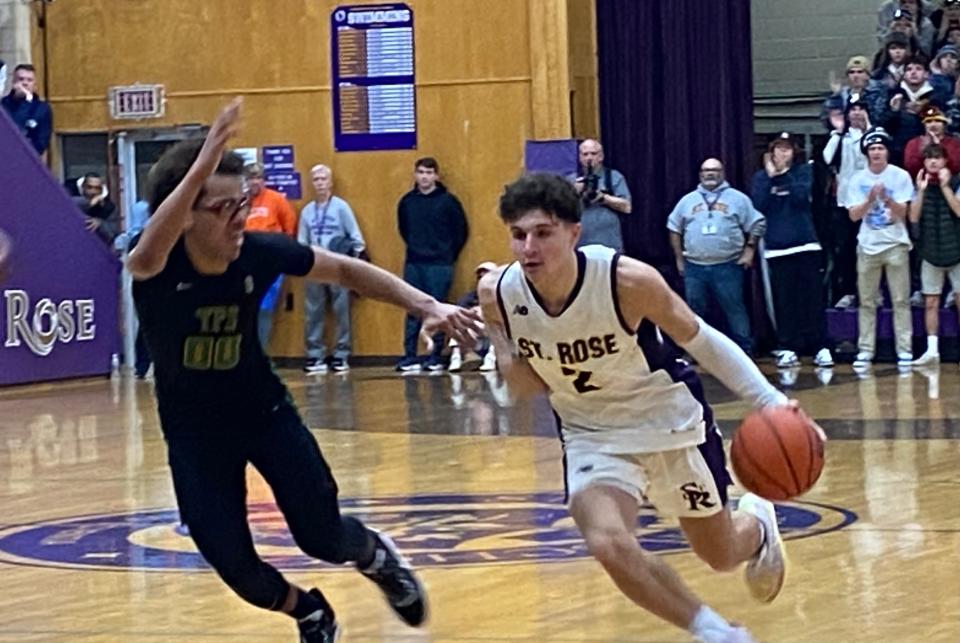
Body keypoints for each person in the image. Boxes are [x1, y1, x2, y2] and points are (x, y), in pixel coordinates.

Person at [127, 99, 481, 641]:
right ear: (184, 215)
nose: (240, 216)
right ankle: (309, 611)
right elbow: (143, 253)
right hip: (195, 436)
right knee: (239, 572)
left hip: (264, 414)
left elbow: (346, 270)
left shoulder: (258, 251)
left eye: (242, 202)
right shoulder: (155, 266)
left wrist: (427, 305)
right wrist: (206, 157)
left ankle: (375, 557)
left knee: (322, 537)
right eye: (222, 207)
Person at [479, 173, 817, 643]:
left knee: (719, 555)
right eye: (518, 235)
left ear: (575, 233)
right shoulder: (498, 291)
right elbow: (510, 357)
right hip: (590, 431)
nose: (528, 247)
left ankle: (758, 527)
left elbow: (701, 338)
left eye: (543, 233)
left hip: (670, 421)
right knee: (606, 540)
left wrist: (773, 403)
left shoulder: (626, 281)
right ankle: (716, 632)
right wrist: (501, 352)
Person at [667, 158, 765, 355]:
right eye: (705, 170)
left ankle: (744, 349)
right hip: (695, 266)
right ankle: (694, 351)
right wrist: (679, 258)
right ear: (700, 174)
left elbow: (757, 223)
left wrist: (750, 250)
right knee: (694, 311)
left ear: (723, 173)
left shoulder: (738, 199)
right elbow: (674, 227)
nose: (710, 174)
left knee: (734, 308)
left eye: (714, 170)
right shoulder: (687, 200)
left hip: (728, 265)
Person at [840, 126, 915, 368]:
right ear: (866, 153)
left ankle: (904, 350)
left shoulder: (900, 176)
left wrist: (887, 199)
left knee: (901, 300)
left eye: (880, 148)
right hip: (867, 245)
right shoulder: (857, 179)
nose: (876, 152)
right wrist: (870, 199)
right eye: (872, 148)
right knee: (867, 301)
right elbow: (853, 216)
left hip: (896, 244)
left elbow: (905, 213)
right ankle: (865, 350)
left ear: (887, 152)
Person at [396, 157, 468, 371]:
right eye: (420, 172)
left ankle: (435, 357)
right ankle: (409, 355)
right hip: (414, 262)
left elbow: (460, 231)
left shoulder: (448, 202)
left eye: (429, 172)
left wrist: (447, 254)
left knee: (437, 309)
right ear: (415, 175)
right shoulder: (407, 202)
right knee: (412, 309)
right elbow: (404, 229)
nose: (424, 177)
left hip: (440, 264)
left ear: (436, 176)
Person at [298, 164, 366, 373]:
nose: (319, 183)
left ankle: (341, 354)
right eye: (316, 180)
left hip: (338, 267)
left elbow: (356, 239)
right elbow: (302, 240)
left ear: (330, 182)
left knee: (341, 311)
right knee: (313, 312)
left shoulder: (341, 207)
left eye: (323, 179)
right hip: (314, 266)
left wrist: (353, 261)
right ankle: (315, 355)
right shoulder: (307, 211)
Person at [909, 143, 960, 365]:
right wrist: (920, 191)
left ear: (945, 161)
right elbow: (913, 217)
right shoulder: (920, 185)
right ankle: (932, 350)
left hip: (957, 251)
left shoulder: (957, 182)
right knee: (931, 301)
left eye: (937, 158)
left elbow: (958, 211)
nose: (932, 162)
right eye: (928, 158)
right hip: (930, 251)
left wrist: (946, 186)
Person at [242, 162, 298, 349]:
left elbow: (289, 228)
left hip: (270, 262)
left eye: (258, 178)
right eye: (251, 179)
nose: (255, 182)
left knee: (265, 309)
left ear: (264, 180)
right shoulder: (241, 201)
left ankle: (262, 351)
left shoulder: (276, 199)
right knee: (245, 309)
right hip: (244, 261)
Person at [573, 138, 632, 251]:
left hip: (609, 244)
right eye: (585, 154)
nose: (589, 158)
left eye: (593, 154)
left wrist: (604, 198)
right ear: (580, 157)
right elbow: (558, 210)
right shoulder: (572, 181)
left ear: (601, 156)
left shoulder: (613, 177)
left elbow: (627, 207)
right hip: (580, 245)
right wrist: (574, 193)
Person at [1, 63, 52, 160]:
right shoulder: (3, 106)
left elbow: (42, 142)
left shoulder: (42, 109)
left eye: (29, 80)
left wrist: (28, 101)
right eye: (21, 79)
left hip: (28, 159)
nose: (25, 83)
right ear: (13, 82)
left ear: (34, 84)